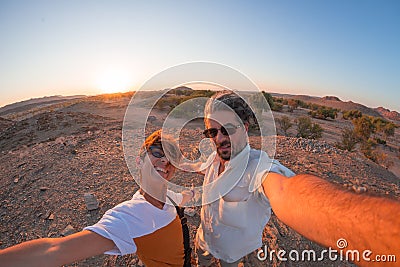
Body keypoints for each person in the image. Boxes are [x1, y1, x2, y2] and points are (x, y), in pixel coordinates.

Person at [195, 91, 400, 267]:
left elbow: (286, 191)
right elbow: (205, 170)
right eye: (213, 131)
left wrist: (383, 231)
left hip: (230, 252)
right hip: (204, 238)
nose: (220, 138)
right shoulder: (215, 157)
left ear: (245, 127)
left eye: (228, 129)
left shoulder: (259, 169)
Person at [0, 130, 193, 267]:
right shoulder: (130, 215)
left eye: (171, 158)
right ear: (139, 161)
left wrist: (194, 191)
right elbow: (55, 250)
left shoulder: (169, 197)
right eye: (157, 153)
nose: (165, 161)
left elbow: (181, 198)